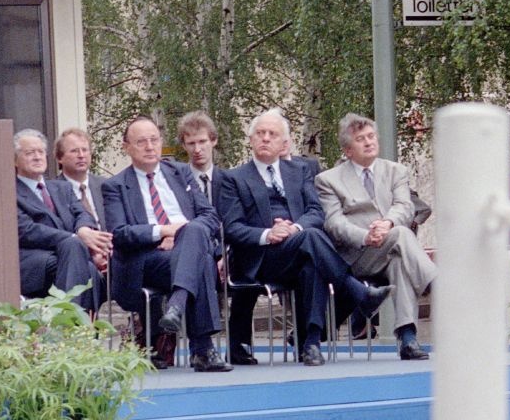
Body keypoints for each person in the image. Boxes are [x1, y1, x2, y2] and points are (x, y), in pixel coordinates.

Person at [213, 109, 393, 367]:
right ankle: (356, 292)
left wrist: (294, 229)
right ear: (250, 140)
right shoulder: (233, 178)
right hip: (259, 258)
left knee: (312, 261)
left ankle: (309, 343)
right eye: (260, 134)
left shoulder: (299, 172)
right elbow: (232, 227)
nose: (265, 138)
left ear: (283, 142)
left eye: (272, 134)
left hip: (298, 247)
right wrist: (268, 234)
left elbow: (315, 212)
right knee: (313, 243)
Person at [102, 117, 231, 372]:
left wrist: (182, 237)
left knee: (195, 240)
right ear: (126, 147)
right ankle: (202, 350)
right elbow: (120, 234)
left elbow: (210, 215)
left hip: (183, 254)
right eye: (141, 142)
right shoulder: (115, 186)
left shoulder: (180, 172)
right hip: (145, 262)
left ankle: (177, 304)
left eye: (154, 140)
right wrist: (162, 231)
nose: (150, 146)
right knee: (199, 256)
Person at [314, 114, 435, 360]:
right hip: (355, 255)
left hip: (390, 244)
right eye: (361, 139)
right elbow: (334, 223)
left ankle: (408, 338)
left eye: (371, 136)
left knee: (400, 258)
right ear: (348, 150)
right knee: (402, 236)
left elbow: (404, 206)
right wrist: (366, 236)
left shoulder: (396, 171)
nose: (369, 142)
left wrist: (387, 223)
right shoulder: (328, 180)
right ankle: (437, 285)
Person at [14, 128, 109, 315]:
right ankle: (75, 328)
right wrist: (75, 238)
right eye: (29, 153)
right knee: (83, 260)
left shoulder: (61, 188)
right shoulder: (10, 191)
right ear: (15, 160)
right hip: (36, 259)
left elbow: (83, 214)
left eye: (40, 152)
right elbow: (26, 230)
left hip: (68, 257)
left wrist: (82, 230)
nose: (37, 157)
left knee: (86, 265)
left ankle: (75, 329)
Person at [53, 126, 106, 221]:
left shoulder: (105, 186)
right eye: (74, 151)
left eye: (85, 150)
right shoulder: (53, 193)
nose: (81, 156)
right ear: (59, 158)